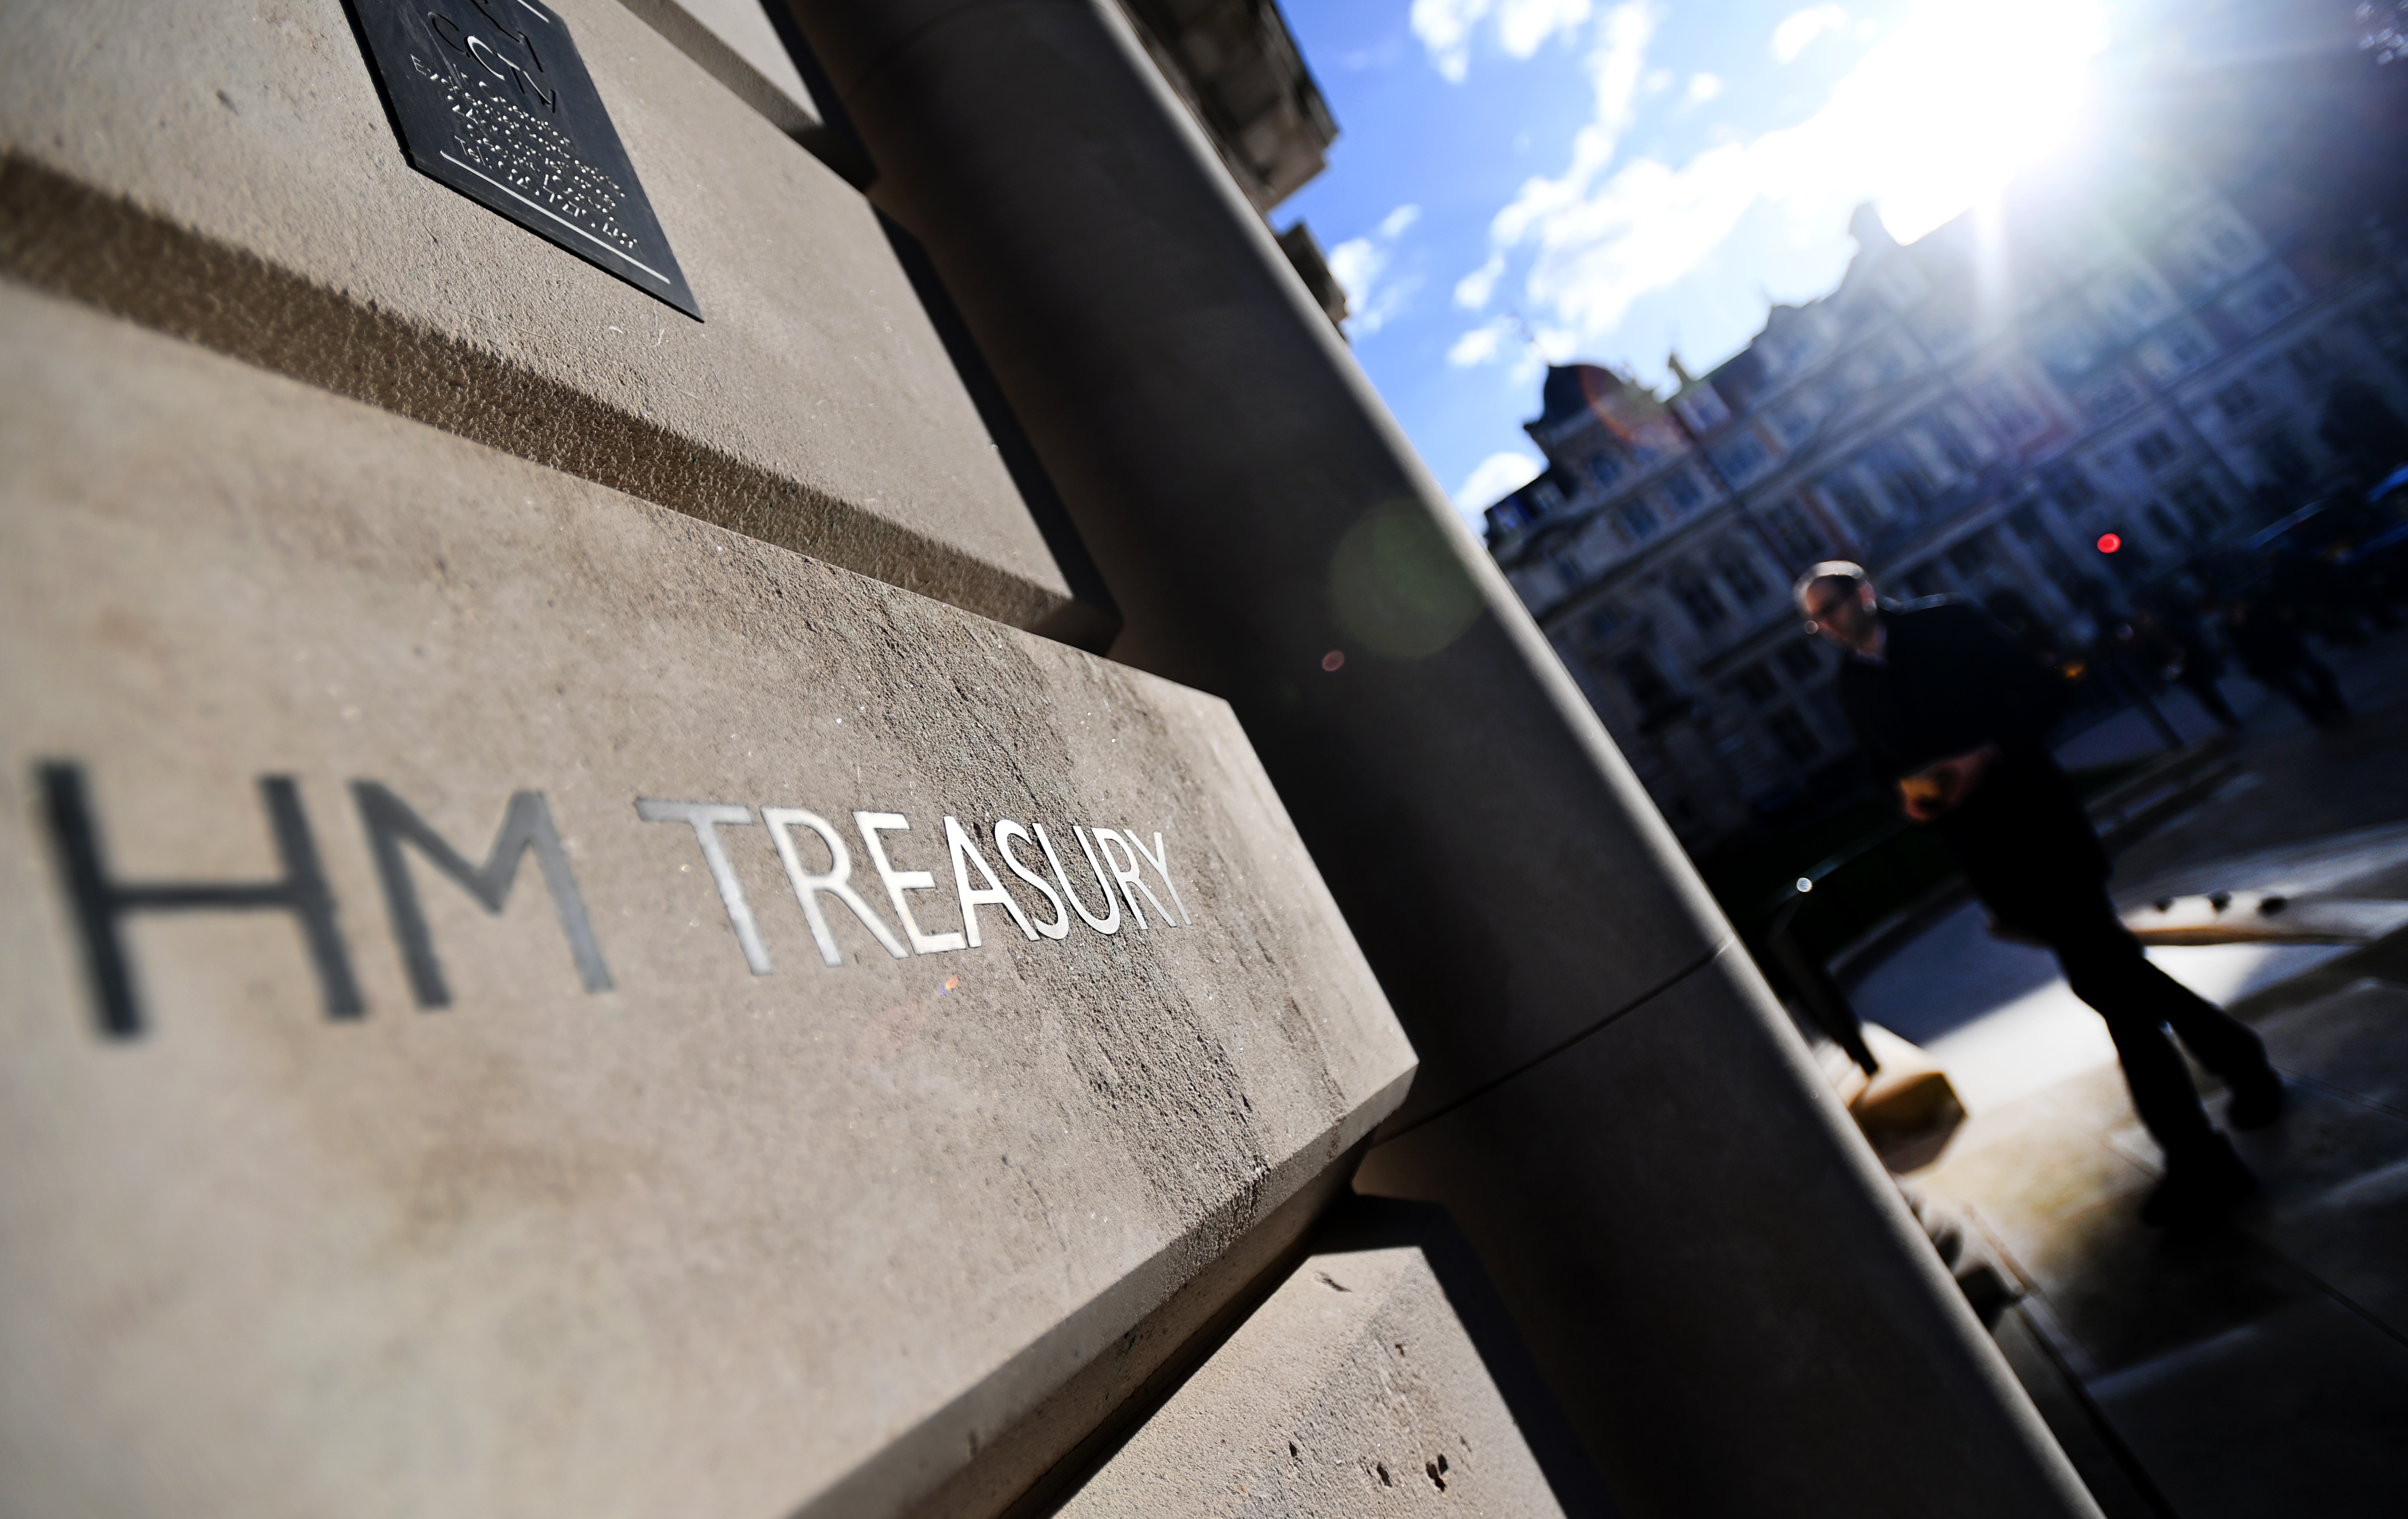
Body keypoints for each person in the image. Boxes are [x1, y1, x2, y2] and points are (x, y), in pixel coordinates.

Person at [1795, 563, 2283, 1226]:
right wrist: (1908, 799)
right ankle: (2241, 1061)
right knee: (2113, 974)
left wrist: (1986, 754)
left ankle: (2197, 1157)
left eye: (1830, 608)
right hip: (1990, 857)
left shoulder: (1946, 623)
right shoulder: (1853, 683)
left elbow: (2043, 688)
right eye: (1815, 620)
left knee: (2110, 988)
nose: (1826, 626)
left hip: (2041, 826)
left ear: (1864, 593)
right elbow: (1880, 769)